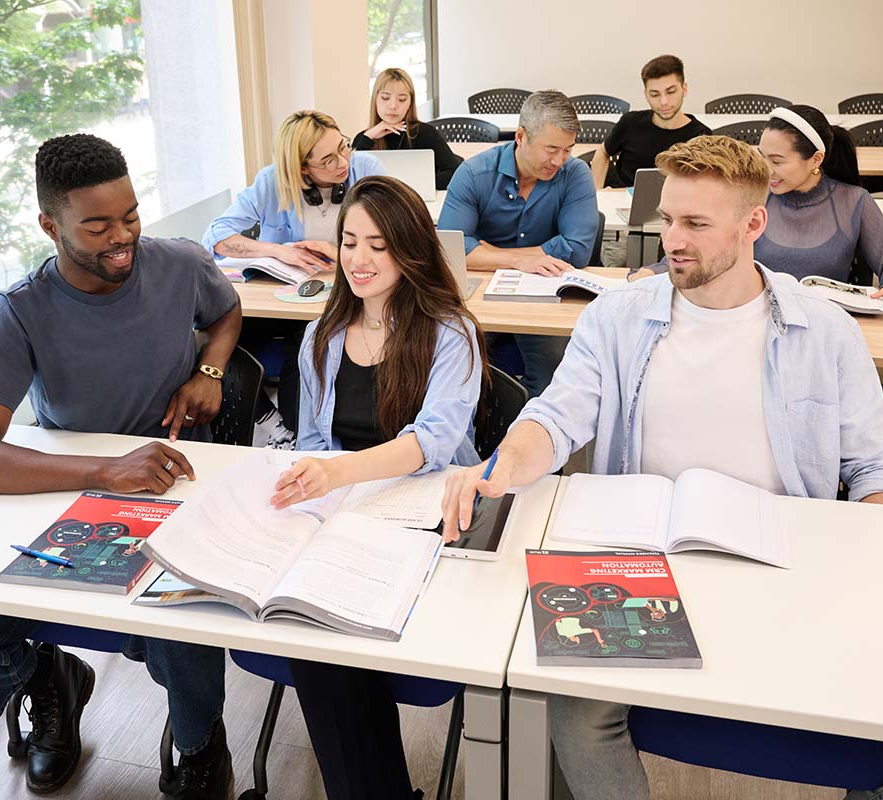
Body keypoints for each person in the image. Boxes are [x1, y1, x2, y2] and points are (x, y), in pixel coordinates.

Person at [441, 135, 883, 800]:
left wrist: (866, 552)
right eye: (667, 219)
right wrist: (501, 466)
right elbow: (554, 419)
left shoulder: (825, 328)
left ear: (753, 223)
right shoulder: (615, 318)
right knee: (572, 711)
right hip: (641, 568)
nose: (673, 239)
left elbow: (879, 468)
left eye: (696, 224)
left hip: (788, 568)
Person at [0, 134, 241, 800]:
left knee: (186, 615)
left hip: (173, 482)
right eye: (98, 225)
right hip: (74, 489)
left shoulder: (177, 265)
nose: (123, 237)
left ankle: (199, 740)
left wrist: (210, 368)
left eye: (130, 216)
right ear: (49, 226)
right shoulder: (19, 312)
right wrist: (103, 471)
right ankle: (47, 679)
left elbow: (227, 309)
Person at [271, 175, 488, 800]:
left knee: (336, 634)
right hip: (347, 517)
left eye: (379, 246)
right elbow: (313, 440)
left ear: (411, 250)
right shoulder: (323, 334)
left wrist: (338, 473)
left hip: (434, 515)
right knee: (315, 629)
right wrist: (320, 489)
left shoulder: (451, 331)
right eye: (349, 242)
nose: (360, 260)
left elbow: (434, 444)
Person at [203, 110, 385, 443]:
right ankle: (265, 419)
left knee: (304, 345)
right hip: (291, 298)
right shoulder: (272, 182)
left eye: (344, 148)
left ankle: (299, 434)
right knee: (216, 332)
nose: (342, 162)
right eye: (328, 160)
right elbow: (216, 236)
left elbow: (393, 237)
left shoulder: (366, 171)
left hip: (351, 296)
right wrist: (278, 251)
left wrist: (339, 251)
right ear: (302, 168)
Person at [636, 105, 883, 306]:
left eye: (777, 161)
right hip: (751, 325)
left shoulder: (853, 201)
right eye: (762, 156)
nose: (767, 170)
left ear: (815, 159)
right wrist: (654, 271)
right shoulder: (754, 195)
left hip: (823, 329)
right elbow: (708, 245)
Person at [438, 89, 598, 396]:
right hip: (478, 293)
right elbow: (453, 250)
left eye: (567, 150)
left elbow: (577, 249)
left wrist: (486, 252)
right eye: (551, 149)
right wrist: (518, 260)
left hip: (547, 292)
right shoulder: (474, 174)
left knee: (555, 367)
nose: (559, 161)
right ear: (521, 136)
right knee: (453, 361)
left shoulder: (576, 173)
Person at [589, 54, 711, 190]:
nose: (664, 101)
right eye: (655, 94)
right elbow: (603, 151)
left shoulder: (701, 136)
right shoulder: (630, 123)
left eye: (671, 92)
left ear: (684, 89)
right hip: (623, 202)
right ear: (646, 95)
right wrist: (598, 193)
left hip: (676, 206)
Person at [353, 67, 464, 190]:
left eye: (402, 99)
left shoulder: (426, 133)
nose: (393, 106)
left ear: (410, 103)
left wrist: (410, 185)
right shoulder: (364, 138)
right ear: (375, 100)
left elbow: (454, 173)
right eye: (385, 98)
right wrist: (369, 136)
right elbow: (354, 179)